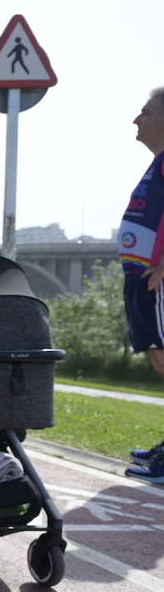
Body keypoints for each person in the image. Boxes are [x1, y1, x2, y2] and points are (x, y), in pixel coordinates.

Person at [122, 87, 164, 484]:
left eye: (146, 112)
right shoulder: (158, 164)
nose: (137, 119)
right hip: (141, 277)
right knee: (158, 357)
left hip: (155, 277)